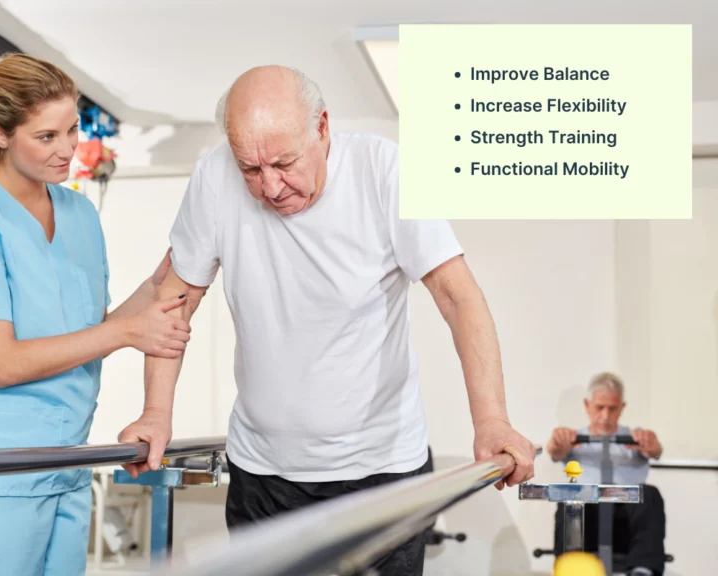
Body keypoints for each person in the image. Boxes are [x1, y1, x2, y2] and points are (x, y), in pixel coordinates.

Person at [118, 65, 536, 575]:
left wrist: (490, 420)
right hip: (262, 475)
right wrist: (156, 411)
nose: (270, 186)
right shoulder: (213, 176)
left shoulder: (383, 171)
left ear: (321, 128)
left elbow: (457, 296)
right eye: (251, 169)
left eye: (284, 162)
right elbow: (175, 300)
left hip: (382, 474)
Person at [0, 53, 191, 576]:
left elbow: (90, 326)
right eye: (46, 137)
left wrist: (161, 282)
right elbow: (3, 363)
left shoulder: (79, 213)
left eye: (73, 129)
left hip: (66, 465)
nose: (67, 149)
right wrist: (126, 333)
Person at [547, 372, 666, 576]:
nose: (605, 416)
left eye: (612, 409)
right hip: (587, 525)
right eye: (599, 407)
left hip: (626, 527)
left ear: (622, 408)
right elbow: (555, 451)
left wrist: (652, 444)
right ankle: (571, 568)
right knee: (570, 497)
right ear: (587, 405)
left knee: (650, 494)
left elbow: (655, 450)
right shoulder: (573, 438)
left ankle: (642, 570)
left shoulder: (636, 438)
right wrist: (557, 441)